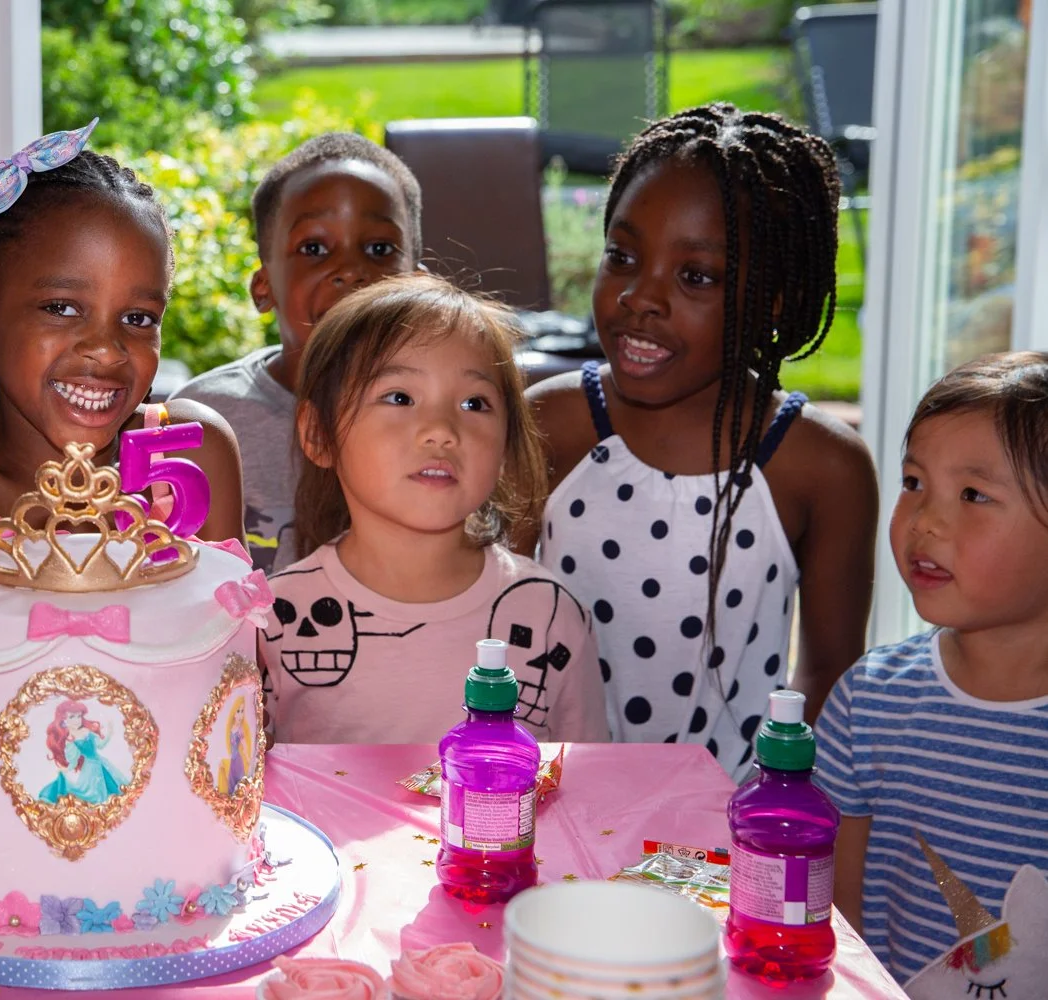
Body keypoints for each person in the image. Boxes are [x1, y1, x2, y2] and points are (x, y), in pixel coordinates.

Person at [0, 122, 244, 761]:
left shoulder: (189, 455)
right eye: (62, 308)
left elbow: (230, 679)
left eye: (138, 319)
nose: (105, 348)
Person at [526, 104, 879, 777]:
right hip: (550, 806)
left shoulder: (821, 467)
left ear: (773, 299)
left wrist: (766, 810)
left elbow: (830, 671)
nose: (640, 297)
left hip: (725, 836)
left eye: (696, 277)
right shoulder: (551, 425)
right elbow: (489, 621)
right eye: (622, 256)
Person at [260, 273, 607, 744]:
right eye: (400, 397)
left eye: (474, 402)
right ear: (320, 434)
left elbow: (585, 790)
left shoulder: (549, 617)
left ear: (506, 443)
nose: (442, 429)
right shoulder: (276, 620)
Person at [814, 353, 1048, 985]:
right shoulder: (870, 702)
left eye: (974, 494)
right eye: (914, 482)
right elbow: (839, 927)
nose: (926, 521)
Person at [170, 133, 423, 574]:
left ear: (419, 284)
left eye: (379, 249)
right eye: (314, 249)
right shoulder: (208, 421)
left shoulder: (450, 415)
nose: (350, 271)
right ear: (264, 287)